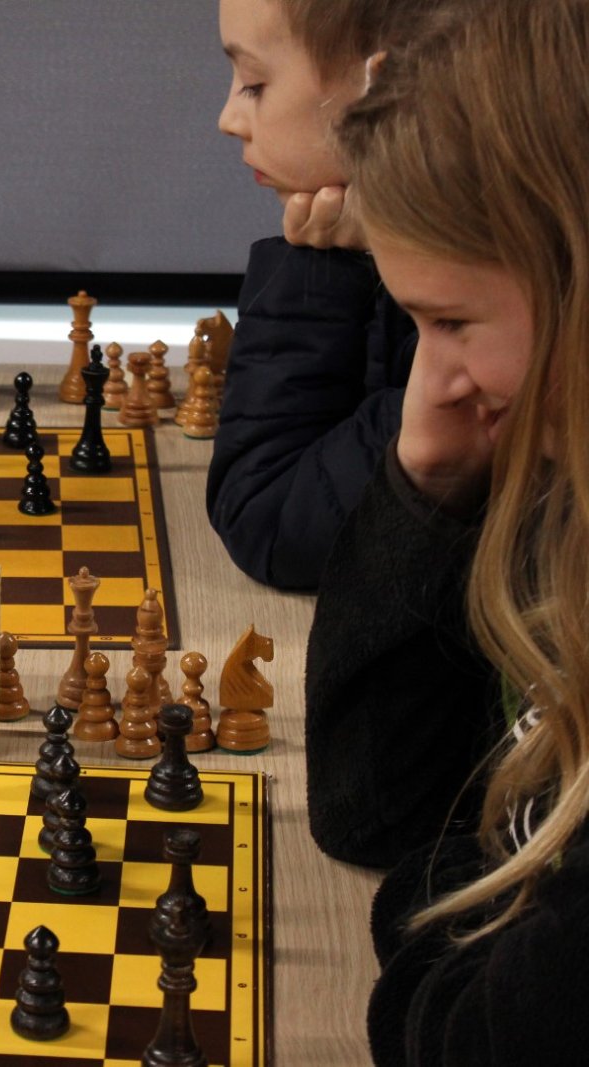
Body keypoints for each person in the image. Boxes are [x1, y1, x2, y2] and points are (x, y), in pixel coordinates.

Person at [307, 1, 589, 1060]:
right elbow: (372, 811)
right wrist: (425, 479)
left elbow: (469, 1035)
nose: (440, 374)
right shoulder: (555, 495)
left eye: (451, 321)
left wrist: (431, 902)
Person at [206, 0, 448, 591]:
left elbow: (268, 517)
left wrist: (318, 261)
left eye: (254, 84)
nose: (228, 119)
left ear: (383, 84)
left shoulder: (488, 320)